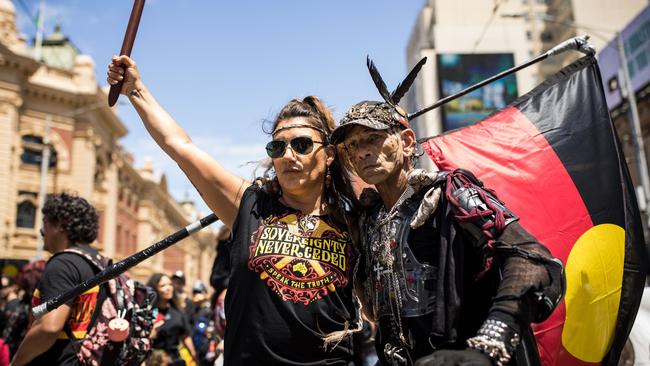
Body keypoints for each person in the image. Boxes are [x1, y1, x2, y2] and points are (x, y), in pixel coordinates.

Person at [107, 55, 360, 365]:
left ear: (329, 154)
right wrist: (136, 90)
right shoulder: (250, 206)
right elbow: (181, 147)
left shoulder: (354, 222)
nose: (288, 155)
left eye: (303, 144)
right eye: (277, 147)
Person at [329, 58, 565, 365]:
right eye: (352, 146)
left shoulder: (450, 195)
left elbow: (532, 259)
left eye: (373, 138)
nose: (362, 151)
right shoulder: (366, 220)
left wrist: (492, 338)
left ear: (406, 142)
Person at [11, 193, 102, 366]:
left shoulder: (63, 263)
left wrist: (16, 362)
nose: (41, 232)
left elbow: (49, 327)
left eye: (44, 223)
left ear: (60, 225)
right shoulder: (98, 263)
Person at [148, 273, 196, 366]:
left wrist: (194, 355)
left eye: (170, 284)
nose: (168, 288)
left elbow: (185, 336)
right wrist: (152, 333)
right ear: (155, 289)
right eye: (163, 285)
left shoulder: (178, 311)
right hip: (155, 361)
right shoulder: (148, 312)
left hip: (175, 360)